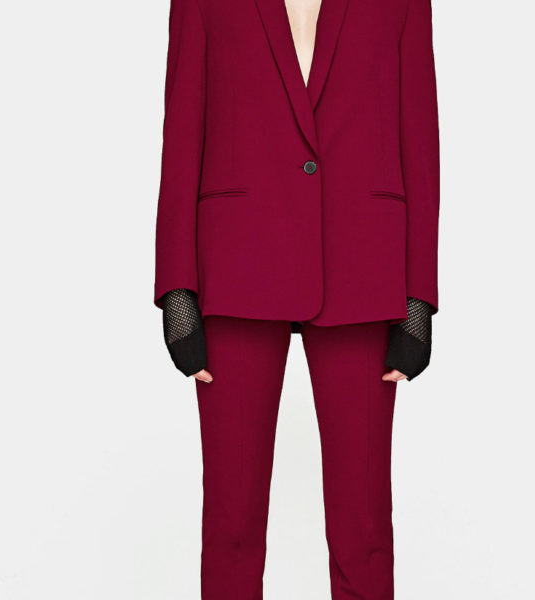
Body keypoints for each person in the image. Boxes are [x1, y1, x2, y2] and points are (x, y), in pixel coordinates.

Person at [153, 0, 440, 597]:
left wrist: (419, 299)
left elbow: (420, 137)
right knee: (231, 524)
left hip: (363, 273)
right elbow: (180, 135)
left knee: (364, 528)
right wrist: (178, 291)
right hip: (235, 270)